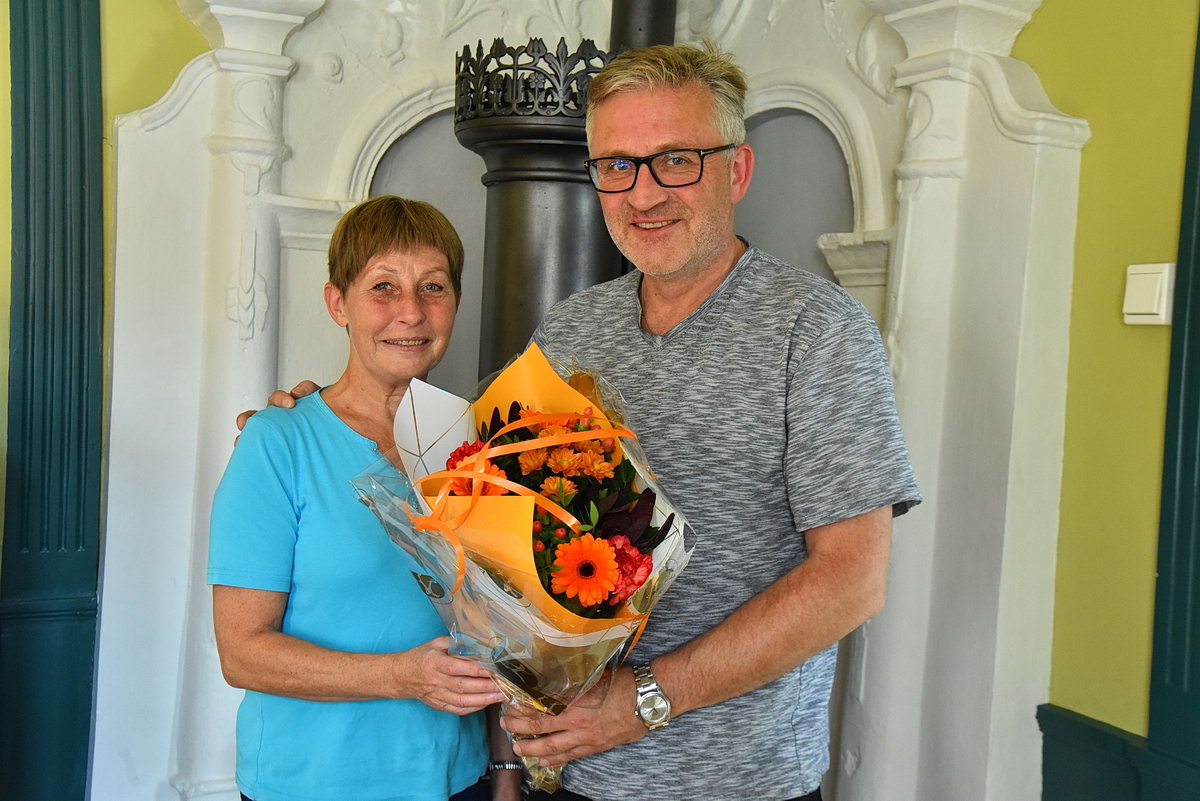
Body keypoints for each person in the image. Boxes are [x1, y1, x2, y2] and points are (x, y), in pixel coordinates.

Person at [246, 43, 920, 801]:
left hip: (735, 785)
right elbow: (469, 482)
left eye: (676, 159)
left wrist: (646, 697)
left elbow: (851, 579)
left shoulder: (818, 330)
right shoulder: (572, 330)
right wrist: (314, 414)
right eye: (617, 165)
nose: (644, 193)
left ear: (737, 169)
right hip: (567, 778)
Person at [210, 195, 521, 801]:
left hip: (458, 778)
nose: (411, 312)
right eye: (383, 287)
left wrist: (504, 770)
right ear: (337, 303)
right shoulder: (278, 442)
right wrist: (403, 677)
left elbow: (500, 628)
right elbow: (241, 654)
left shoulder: (481, 442)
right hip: (312, 784)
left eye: (433, 287)